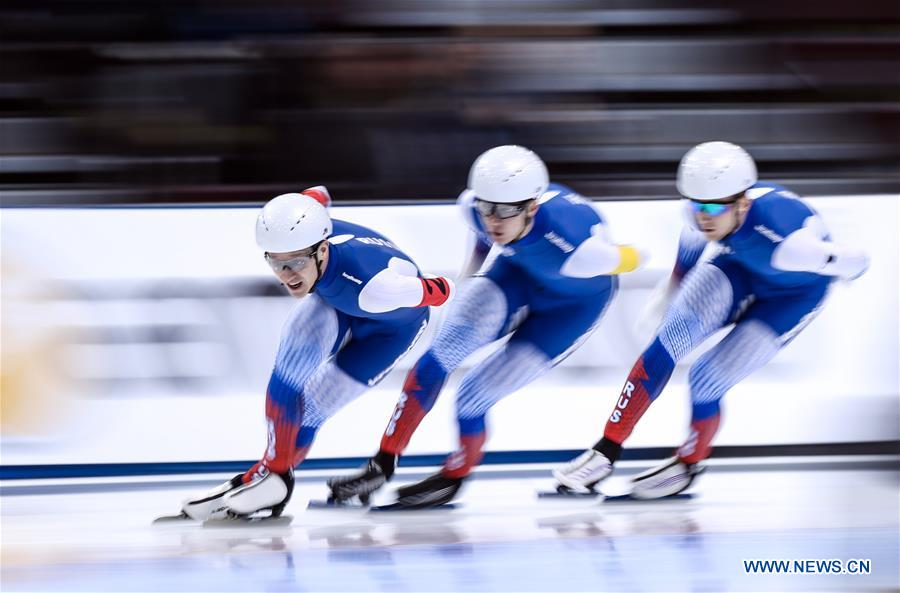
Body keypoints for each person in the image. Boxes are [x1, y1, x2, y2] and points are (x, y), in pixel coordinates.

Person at [327, 145, 647, 508]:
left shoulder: (582, 251)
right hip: (516, 276)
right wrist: (467, 279)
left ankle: (455, 475)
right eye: (487, 208)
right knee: (435, 360)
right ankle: (382, 462)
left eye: (506, 211)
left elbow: (639, 256)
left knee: (472, 398)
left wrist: (625, 256)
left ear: (532, 208)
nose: (493, 221)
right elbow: (481, 233)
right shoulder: (472, 208)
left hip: (572, 308)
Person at [553, 141, 870, 499]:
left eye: (712, 207)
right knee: (665, 343)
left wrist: (845, 268)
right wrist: (669, 294)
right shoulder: (699, 212)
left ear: (743, 204)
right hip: (740, 269)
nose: (702, 216)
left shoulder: (792, 245)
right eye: (694, 204)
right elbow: (686, 262)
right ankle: (605, 450)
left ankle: (689, 462)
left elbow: (857, 260)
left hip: (793, 297)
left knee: (706, 378)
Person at [180, 186, 454, 519]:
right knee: (290, 371)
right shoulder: (310, 226)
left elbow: (443, 291)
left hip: (389, 328)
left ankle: (271, 479)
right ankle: (269, 475)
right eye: (276, 264)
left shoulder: (378, 288)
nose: (287, 276)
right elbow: (318, 195)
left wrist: (431, 288)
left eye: (295, 263)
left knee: (311, 411)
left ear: (322, 250)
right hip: (336, 297)